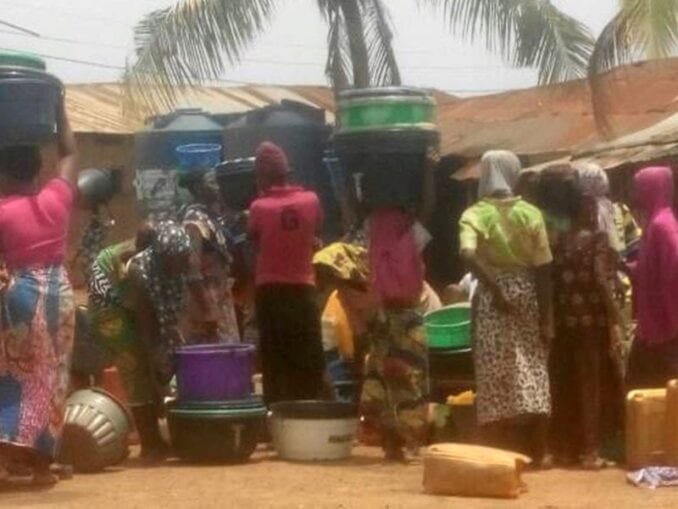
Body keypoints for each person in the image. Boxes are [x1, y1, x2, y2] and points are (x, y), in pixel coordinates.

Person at [0, 102, 79, 485]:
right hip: (60, 295)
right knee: (54, 377)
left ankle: (5, 458)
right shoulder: (58, 197)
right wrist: (59, 109)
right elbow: (69, 153)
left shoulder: (2, 211)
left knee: (14, 375)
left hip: (20, 296)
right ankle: (40, 467)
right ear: (37, 169)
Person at [459, 150, 553, 467]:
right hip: (527, 294)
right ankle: (539, 453)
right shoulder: (531, 214)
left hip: (491, 299)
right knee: (532, 370)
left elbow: (468, 253)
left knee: (494, 370)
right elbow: (543, 269)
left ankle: (498, 453)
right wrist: (547, 318)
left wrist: (495, 288)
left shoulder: (475, 214)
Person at [548, 165, 624, 470]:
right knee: (591, 385)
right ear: (585, 209)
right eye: (592, 206)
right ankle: (591, 451)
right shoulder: (597, 240)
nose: (595, 211)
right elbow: (602, 280)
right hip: (592, 322)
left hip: (567, 323)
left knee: (567, 384)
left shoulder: (562, 241)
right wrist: (617, 317)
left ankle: (567, 449)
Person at [248, 142, 326, 405]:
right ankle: (310, 410)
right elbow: (315, 231)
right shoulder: (311, 200)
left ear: (262, 176)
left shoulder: (258, 208)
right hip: (303, 289)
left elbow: (255, 242)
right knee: (307, 353)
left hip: (270, 292)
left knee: (274, 356)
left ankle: (277, 415)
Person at [88, 225, 169, 459]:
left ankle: (154, 438)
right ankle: (150, 442)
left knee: (145, 367)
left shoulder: (141, 256)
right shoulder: (134, 266)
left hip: (122, 311)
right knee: (136, 372)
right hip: (110, 317)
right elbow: (144, 321)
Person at [627, 166, 678, 389]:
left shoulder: (662, 225)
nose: (635, 194)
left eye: (639, 187)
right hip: (654, 325)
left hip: (666, 326)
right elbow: (650, 268)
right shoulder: (653, 223)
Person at [178, 170, 239, 343]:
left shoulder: (210, 217)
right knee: (213, 357)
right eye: (212, 183)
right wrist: (208, 310)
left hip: (218, 298)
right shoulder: (194, 222)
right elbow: (192, 271)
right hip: (206, 302)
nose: (218, 188)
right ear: (198, 188)